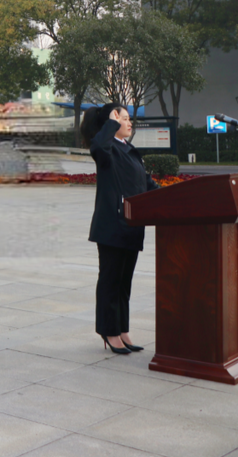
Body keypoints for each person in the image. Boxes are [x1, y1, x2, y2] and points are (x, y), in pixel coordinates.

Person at [84, 103, 157, 354]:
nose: (129, 123)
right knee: (110, 282)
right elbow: (97, 146)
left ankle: (122, 330)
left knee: (124, 285)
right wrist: (111, 124)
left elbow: (147, 186)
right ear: (111, 123)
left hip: (132, 227)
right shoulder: (106, 148)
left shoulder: (130, 151)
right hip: (113, 226)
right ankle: (109, 331)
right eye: (123, 118)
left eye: (127, 119)